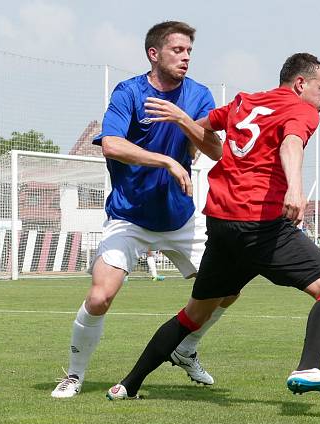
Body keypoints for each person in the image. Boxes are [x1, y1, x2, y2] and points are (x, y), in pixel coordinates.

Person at [106, 53, 320, 400]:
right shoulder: (303, 110)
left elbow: (206, 126)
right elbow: (291, 143)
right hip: (260, 225)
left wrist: (182, 119)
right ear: (301, 84)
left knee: (194, 314)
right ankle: (309, 367)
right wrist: (296, 189)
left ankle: (128, 385)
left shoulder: (245, 102)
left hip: (222, 224)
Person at [51, 21, 225, 399]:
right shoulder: (129, 93)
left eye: (189, 51)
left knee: (226, 290)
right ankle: (75, 375)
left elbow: (216, 151)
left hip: (180, 218)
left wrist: (183, 121)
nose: (185, 57)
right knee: (100, 297)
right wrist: (167, 161)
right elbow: (111, 144)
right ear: (154, 53)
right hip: (128, 216)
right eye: (177, 50)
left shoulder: (198, 96)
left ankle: (186, 349)